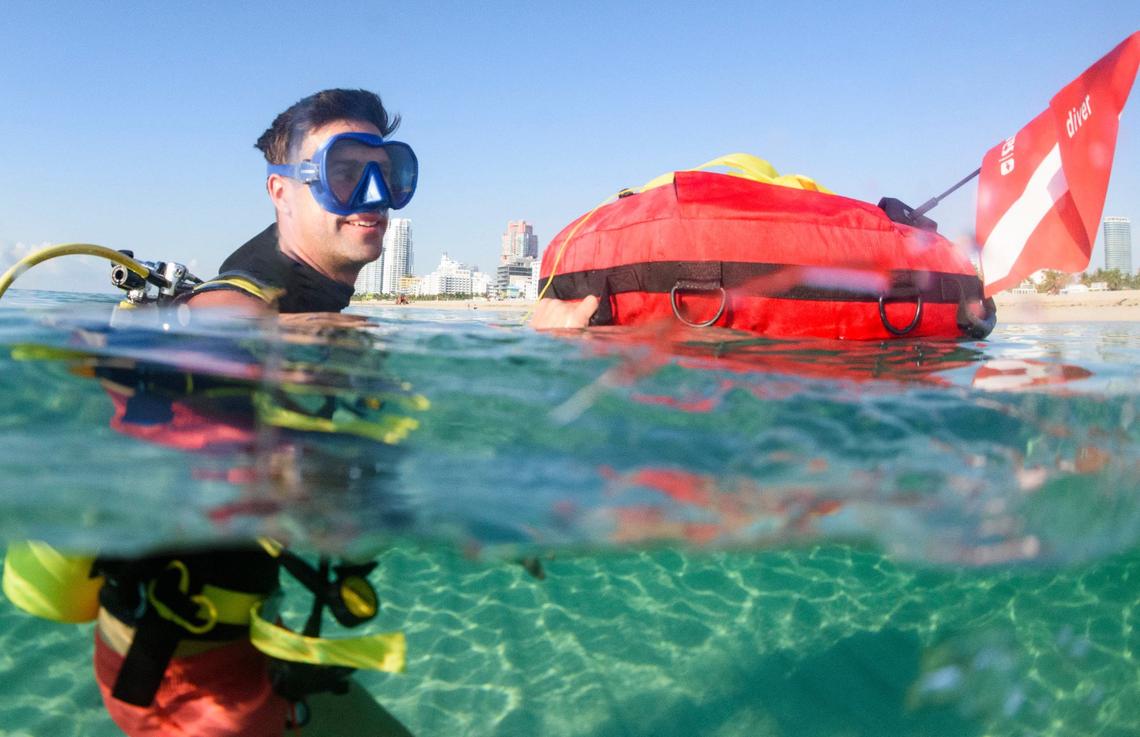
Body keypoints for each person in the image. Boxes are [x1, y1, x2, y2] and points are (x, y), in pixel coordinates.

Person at [89, 88, 418, 737]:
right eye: (346, 171)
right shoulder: (252, 295)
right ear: (282, 190)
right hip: (183, 685)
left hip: (223, 651)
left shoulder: (311, 295)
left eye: (391, 171)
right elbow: (218, 315)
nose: (374, 193)